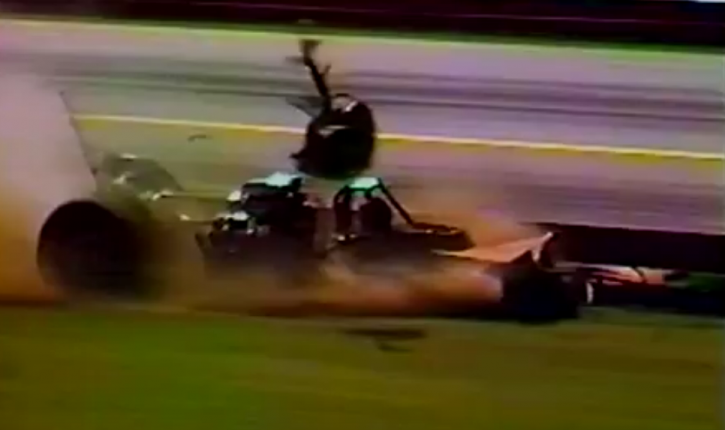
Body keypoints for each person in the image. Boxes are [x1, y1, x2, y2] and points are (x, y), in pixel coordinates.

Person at [289, 38, 378, 254]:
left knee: (322, 117)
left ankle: (309, 61)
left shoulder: (325, 176)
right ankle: (309, 60)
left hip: (340, 163)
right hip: (337, 163)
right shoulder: (355, 119)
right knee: (321, 120)